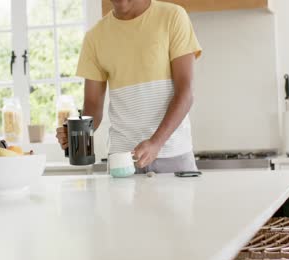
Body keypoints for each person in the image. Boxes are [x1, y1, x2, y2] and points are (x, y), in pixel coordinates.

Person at [56, 0, 202, 173]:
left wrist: (156, 142)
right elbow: (92, 108)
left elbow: (185, 92)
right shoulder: (95, 37)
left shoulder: (173, 16)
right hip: (122, 162)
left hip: (173, 154)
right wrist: (73, 133)